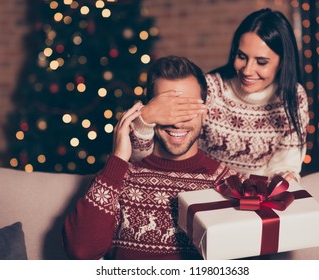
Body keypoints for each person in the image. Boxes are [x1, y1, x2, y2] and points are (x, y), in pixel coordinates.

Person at [62, 56, 240, 260]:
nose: (177, 123)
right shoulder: (118, 176)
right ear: (149, 110)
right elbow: (80, 252)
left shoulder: (226, 184)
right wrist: (119, 157)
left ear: (205, 111)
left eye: (186, 109)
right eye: (167, 110)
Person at [129, 8, 309, 182]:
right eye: (242, 56)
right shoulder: (211, 89)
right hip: (205, 189)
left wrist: (283, 180)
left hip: (258, 195)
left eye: (261, 62)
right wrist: (144, 121)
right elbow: (149, 153)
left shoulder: (294, 97)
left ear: (283, 62)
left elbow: (286, 163)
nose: (247, 70)